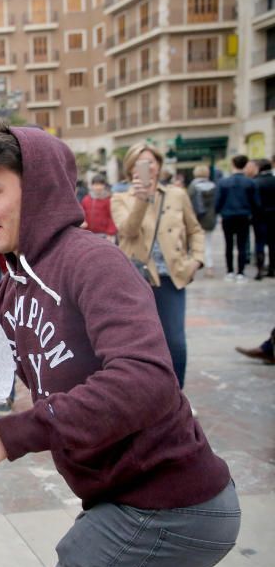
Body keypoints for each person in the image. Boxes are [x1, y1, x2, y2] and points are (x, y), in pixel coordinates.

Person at [0, 121, 238, 567]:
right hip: (117, 499)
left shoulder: (93, 262)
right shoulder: (13, 289)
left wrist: (6, 434)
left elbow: (146, 380)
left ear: (37, 191)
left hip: (170, 505)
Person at [111, 143, 204, 389]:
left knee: (175, 342)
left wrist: (196, 260)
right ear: (130, 168)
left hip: (172, 277)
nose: (147, 167)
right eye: (140, 162)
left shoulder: (177, 194)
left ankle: (175, 398)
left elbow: (195, 229)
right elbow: (128, 231)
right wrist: (141, 199)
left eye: (151, 161)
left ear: (159, 165)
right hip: (138, 280)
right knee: (139, 344)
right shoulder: (120, 198)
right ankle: (148, 397)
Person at [216, 155, 258, 282]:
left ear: (233, 164)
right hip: (243, 216)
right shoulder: (250, 182)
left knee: (228, 244)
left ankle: (230, 271)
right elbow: (256, 202)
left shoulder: (223, 182)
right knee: (242, 245)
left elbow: (218, 202)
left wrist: (219, 213)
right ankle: (240, 272)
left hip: (228, 216)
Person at [188, 165, 218, 278]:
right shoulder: (213, 186)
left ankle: (195, 264)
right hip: (210, 218)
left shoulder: (193, 186)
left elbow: (188, 204)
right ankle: (210, 267)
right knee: (208, 243)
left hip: (195, 218)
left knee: (195, 243)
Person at [250, 158, 274, 280]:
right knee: (273, 243)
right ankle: (272, 268)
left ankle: (260, 269)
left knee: (259, 243)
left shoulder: (255, 182)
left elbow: (254, 202)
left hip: (259, 217)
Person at [80, 174, 116, 240]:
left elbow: (112, 217)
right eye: (96, 185)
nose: (98, 187)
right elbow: (81, 212)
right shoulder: (86, 199)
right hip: (88, 233)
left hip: (104, 234)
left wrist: (110, 232)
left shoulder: (108, 200)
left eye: (101, 184)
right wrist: (82, 221)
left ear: (104, 185)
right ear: (92, 186)